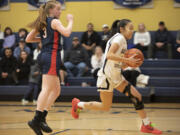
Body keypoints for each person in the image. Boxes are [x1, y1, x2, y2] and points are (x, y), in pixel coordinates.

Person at [71, 19, 162, 135]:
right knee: (105, 106)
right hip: (107, 77)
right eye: (130, 28)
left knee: (137, 96)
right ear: (122, 29)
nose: (132, 31)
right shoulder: (119, 39)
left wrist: (128, 64)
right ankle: (78, 104)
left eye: (133, 28)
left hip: (116, 76)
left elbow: (116, 62)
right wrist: (127, 60)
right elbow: (109, 55)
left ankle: (147, 125)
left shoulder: (123, 41)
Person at [25, 1, 73, 135]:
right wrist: (70, 21)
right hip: (51, 56)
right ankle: (36, 120)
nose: (60, 11)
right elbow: (67, 33)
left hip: (47, 55)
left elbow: (29, 39)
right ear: (51, 10)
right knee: (46, 88)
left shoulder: (43, 22)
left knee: (56, 90)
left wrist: (43, 40)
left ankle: (42, 117)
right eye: (58, 9)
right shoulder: (54, 21)